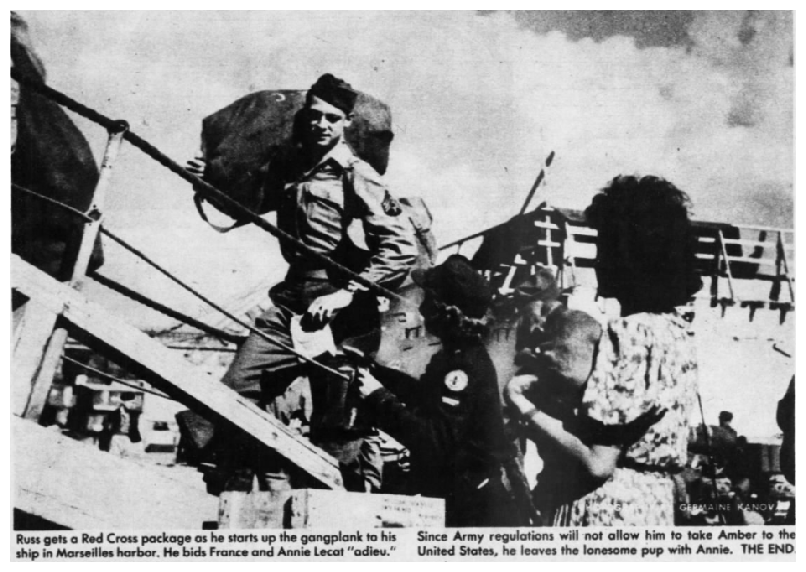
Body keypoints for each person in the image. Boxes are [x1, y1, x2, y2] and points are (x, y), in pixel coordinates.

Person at [185, 74, 417, 490]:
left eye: (332, 118)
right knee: (231, 391)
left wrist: (348, 292)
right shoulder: (290, 168)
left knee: (339, 428)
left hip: (341, 312)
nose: (321, 125)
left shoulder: (356, 174)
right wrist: (209, 181)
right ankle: (232, 486)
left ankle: (344, 511)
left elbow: (401, 246)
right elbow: (249, 206)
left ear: (346, 122)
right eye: (314, 116)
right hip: (292, 299)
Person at [506, 175, 703, 526]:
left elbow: (597, 464)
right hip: (653, 505)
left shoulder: (628, 333)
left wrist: (524, 406)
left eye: (604, 250)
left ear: (628, 258)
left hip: (604, 509)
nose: (597, 263)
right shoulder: (677, 333)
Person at [354, 255, 531, 526]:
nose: (421, 307)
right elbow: (426, 399)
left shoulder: (463, 366)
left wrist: (377, 397)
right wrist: (377, 373)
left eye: (428, 299)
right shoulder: (457, 353)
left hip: (476, 510)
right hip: (466, 496)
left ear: (444, 309)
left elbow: (433, 440)